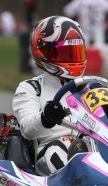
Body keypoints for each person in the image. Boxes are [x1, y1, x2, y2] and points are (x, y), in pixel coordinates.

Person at [13, 16, 88, 176]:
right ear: (44, 53)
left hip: (92, 146)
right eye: (65, 53)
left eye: (75, 52)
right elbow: (26, 129)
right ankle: (78, 179)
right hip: (52, 148)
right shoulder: (31, 88)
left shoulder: (92, 87)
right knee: (56, 151)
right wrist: (46, 118)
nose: (72, 59)